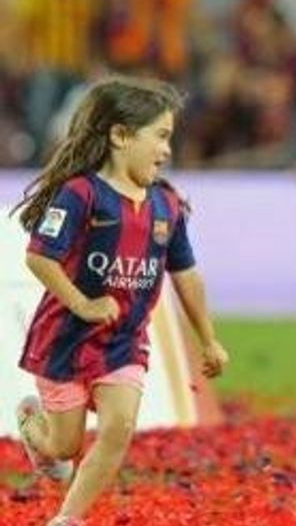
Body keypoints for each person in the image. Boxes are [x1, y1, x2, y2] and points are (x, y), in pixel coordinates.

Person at [9, 76, 230, 526]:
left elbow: (185, 273)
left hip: (123, 342)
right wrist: (84, 305)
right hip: (64, 340)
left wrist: (208, 339)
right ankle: (35, 431)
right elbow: (39, 257)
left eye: (170, 138)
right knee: (65, 446)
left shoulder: (167, 205)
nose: (167, 150)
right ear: (120, 136)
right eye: (160, 136)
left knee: (119, 426)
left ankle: (68, 519)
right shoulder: (81, 194)